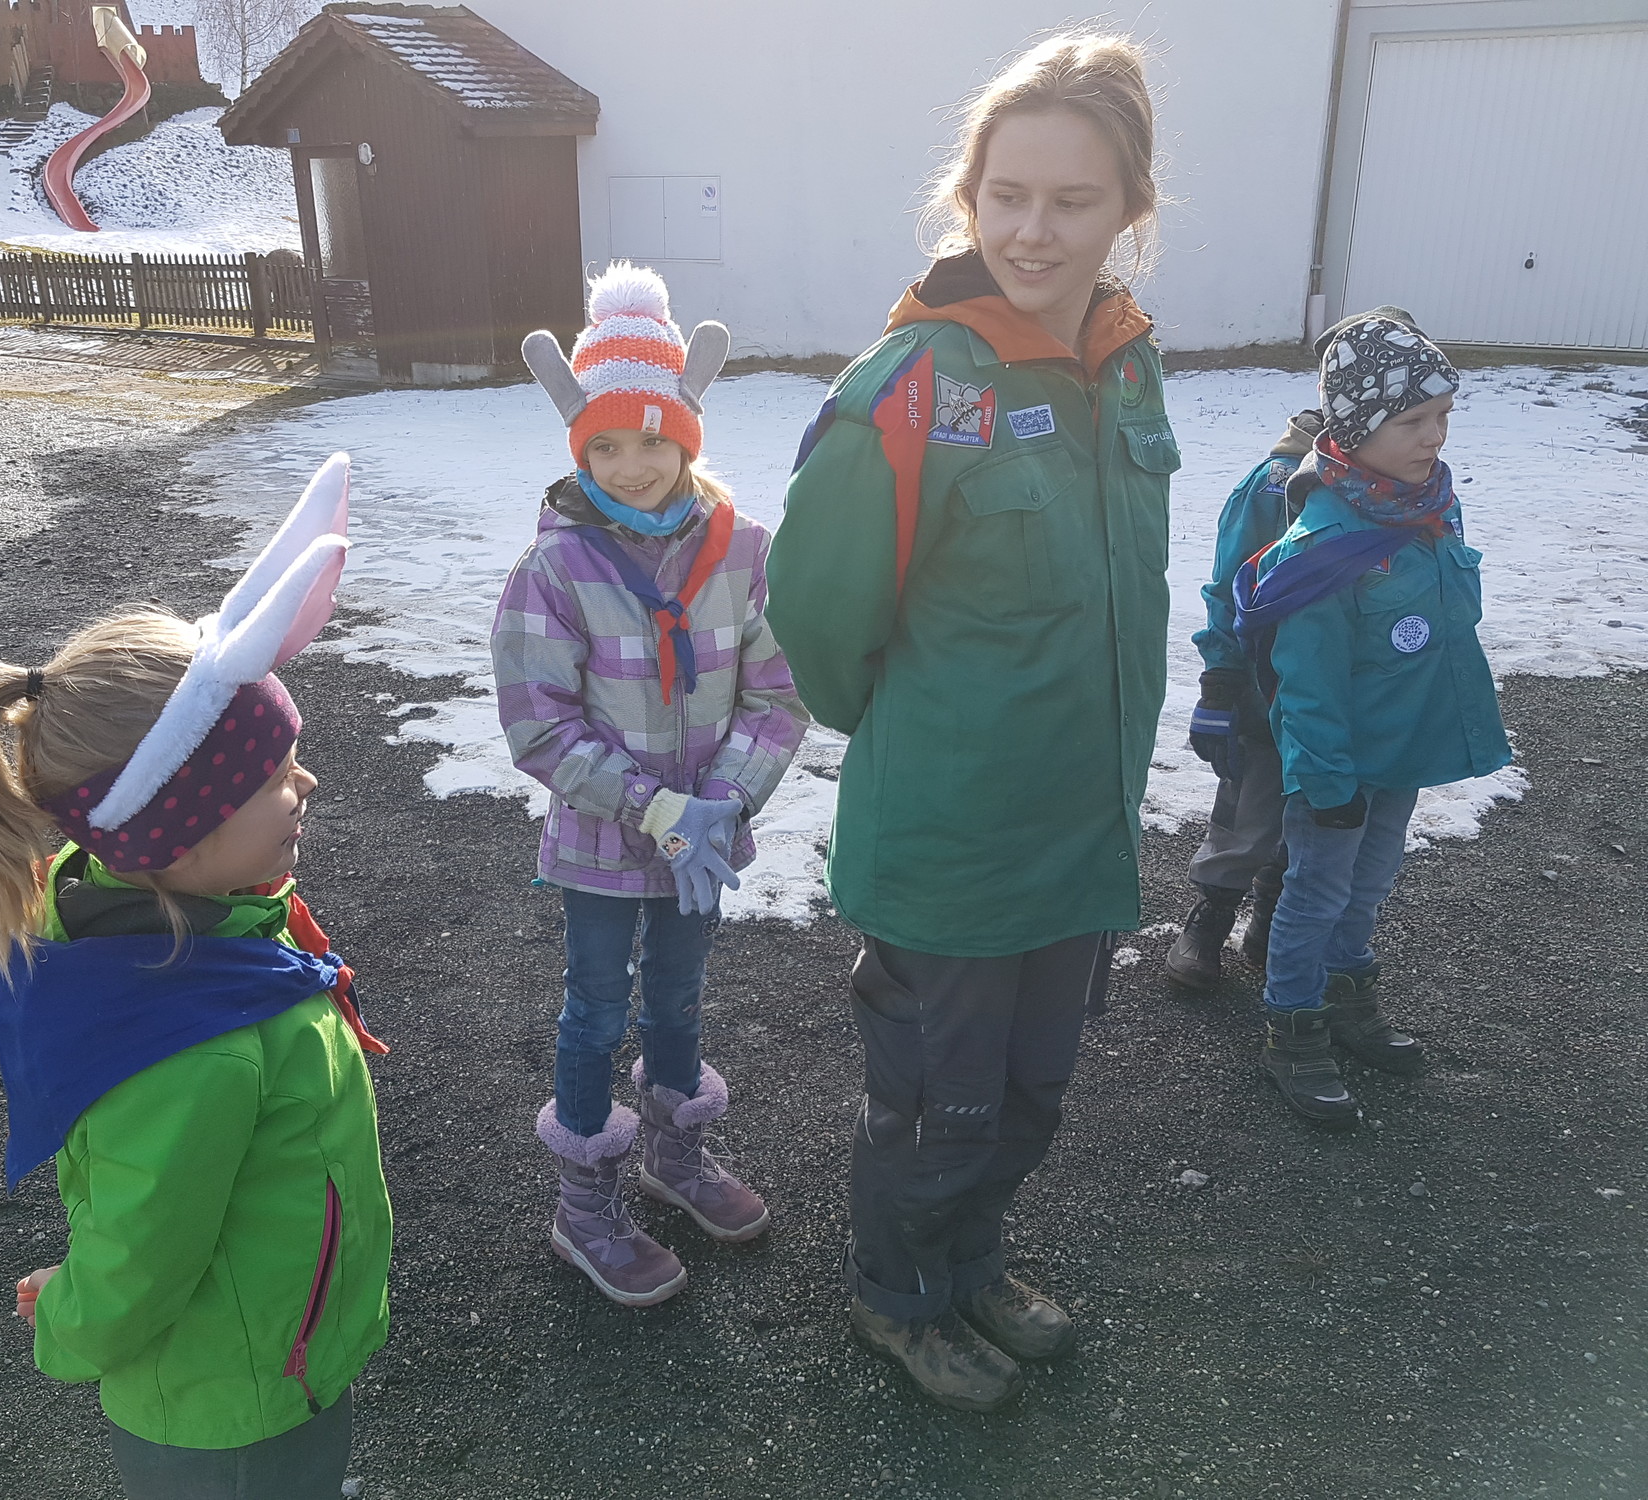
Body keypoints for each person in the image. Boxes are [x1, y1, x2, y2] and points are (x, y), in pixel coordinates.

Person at [765, 34, 1174, 1412]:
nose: (1032, 230)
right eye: (1006, 195)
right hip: (950, 846)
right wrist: (913, 733)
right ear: (967, 196)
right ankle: (900, 1297)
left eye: (1071, 200)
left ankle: (970, 1263)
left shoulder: (1124, 366)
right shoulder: (915, 385)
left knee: (1028, 1098)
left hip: (1074, 834)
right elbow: (817, 611)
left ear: (1129, 208)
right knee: (936, 1107)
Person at [0, 457, 392, 1500]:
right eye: (273, 778)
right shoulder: (195, 1044)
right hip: (231, 1411)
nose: (307, 783)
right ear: (175, 835)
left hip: (271, 1354)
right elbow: (139, 1251)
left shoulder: (183, 934)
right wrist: (66, 1320)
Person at [497, 262, 808, 1307]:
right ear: (579, 450)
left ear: (687, 438)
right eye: (606, 447)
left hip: (704, 838)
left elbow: (777, 692)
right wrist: (651, 806)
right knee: (595, 1008)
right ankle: (584, 1204)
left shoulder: (744, 553)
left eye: (651, 441)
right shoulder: (554, 570)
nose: (632, 467)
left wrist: (720, 802)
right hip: (601, 842)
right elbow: (539, 722)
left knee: (678, 996)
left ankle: (678, 1157)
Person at [1236, 309, 1509, 1125]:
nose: (1435, 436)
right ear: (1357, 430)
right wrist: (1325, 786)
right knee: (1316, 892)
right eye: (1413, 420)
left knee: (1369, 884)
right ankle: (1292, 1028)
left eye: (1443, 416)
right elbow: (1308, 686)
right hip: (1339, 771)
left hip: (1403, 752)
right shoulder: (1325, 544)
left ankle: (1347, 997)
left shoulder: (1428, 509)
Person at [1164, 409, 1321, 987]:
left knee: (1324, 814)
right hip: (1268, 683)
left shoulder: (1398, 480)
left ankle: (1274, 921)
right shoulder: (1276, 483)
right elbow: (1231, 583)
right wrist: (1221, 683)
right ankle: (1211, 915)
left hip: (1350, 685)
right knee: (1251, 801)